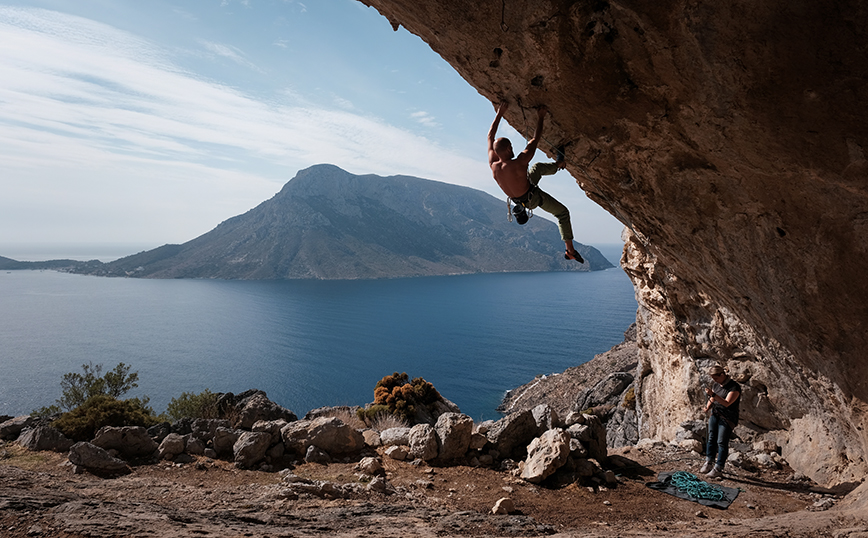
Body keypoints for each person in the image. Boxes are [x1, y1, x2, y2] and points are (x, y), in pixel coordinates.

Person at [487, 101, 583, 262]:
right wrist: (541, 116)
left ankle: (559, 164)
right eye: (511, 146)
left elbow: (490, 136)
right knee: (562, 213)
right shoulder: (520, 162)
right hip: (532, 198)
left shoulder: (493, 165)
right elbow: (535, 139)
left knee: (537, 168)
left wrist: (500, 113)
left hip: (521, 196)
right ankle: (570, 251)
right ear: (509, 148)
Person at [701, 364, 741, 478]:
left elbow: (727, 403)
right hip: (716, 413)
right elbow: (712, 399)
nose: (715, 380)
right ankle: (709, 462)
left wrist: (713, 394)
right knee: (711, 437)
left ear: (722, 374)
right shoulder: (716, 385)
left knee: (721, 442)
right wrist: (708, 407)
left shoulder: (734, 387)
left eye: (716, 377)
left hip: (728, 417)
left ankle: (718, 467)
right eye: (713, 378)